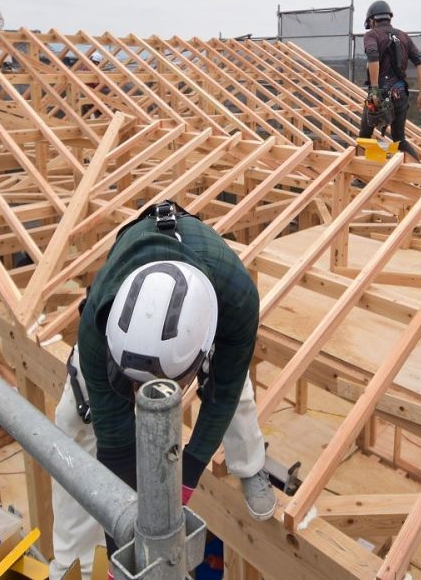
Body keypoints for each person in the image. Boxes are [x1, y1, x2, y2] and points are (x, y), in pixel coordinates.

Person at [71, 200, 276, 566]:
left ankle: (249, 464)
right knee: (72, 417)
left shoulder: (237, 298)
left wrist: (186, 479)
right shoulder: (97, 323)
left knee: (235, 388)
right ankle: (74, 562)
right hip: (118, 315)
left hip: (212, 292)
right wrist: (124, 548)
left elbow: (222, 392)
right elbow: (115, 444)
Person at [358, 0, 421, 160]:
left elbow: (373, 57)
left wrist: (374, 90)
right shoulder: (403, 36)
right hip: (400, 94)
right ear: (388, 18)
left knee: (364, 137)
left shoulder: (371, 35)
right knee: (399, 139)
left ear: (372, 20)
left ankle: (361, 178)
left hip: (380, 94)